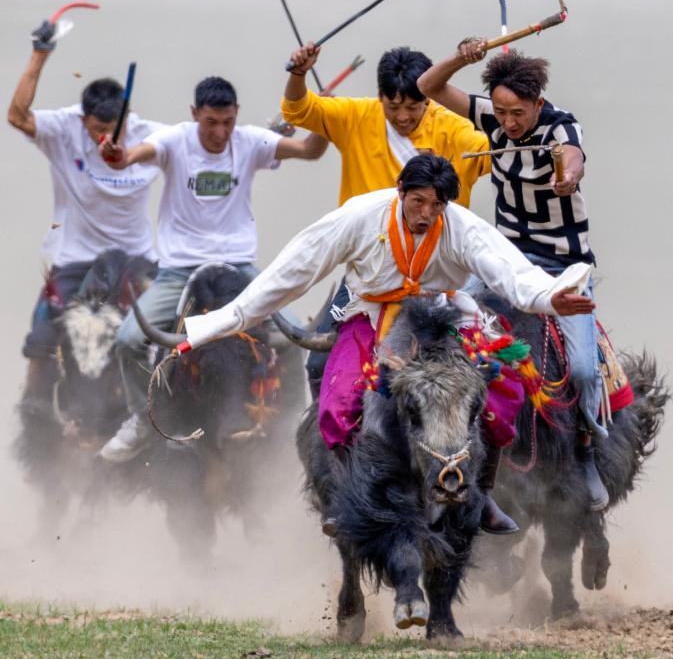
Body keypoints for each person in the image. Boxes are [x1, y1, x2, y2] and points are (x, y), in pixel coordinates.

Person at [179, 154, 595, 531]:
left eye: (436, 206)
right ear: (400, 191)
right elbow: (292, 270)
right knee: (336, 404)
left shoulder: (461, 227)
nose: (426, 214)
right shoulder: (360, 216)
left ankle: (481, 493)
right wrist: (212, 326)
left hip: (443, 318)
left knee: (504, 393)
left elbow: (510, 272)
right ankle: (352, 493)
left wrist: (550, 297)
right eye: (418, 202)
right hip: (372, 318)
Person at [416, 42, 609, 510]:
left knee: (584, 369)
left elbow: (572, 156)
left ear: (538, 104)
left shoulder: (560, 126)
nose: (508, 123)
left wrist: (568, 176)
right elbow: (427, 86)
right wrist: (463, 58)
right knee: (442, 320)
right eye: (501, 113)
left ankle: (586, 449)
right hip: (504, 262)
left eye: (518, 113)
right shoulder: (491, 117)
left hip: (563, 267)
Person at [98, 75, 327, 462]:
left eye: (228, 122)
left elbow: (309, 150)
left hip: (239, 268)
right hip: (179, 271)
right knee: (127, 340)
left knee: (292, 336)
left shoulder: (251, 141)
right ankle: (142, 419)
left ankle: (291, 423)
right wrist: (117, 156)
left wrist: (322, 117)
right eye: (211, 123)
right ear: (194, 114)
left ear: (237, 115)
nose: (220, 133)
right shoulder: (174, 141)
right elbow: (131, 155)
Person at [282, 41, 492, 401]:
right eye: (393, 107)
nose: (403, 117)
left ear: (429, 100)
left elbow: (494, 151)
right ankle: (326, 436)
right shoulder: (355, 116)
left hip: (439, 276)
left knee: (492, 366)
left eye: (413, 107)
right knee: (318, 365)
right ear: (380, 97)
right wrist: (299, 73)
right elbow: (298, 109)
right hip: (370, 274)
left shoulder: (455, 130)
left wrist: (509, 116)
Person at [7, 18, 164, 411]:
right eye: (96, 130)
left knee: (164, 336)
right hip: (76, 259)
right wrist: (40, 54)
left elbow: (209, 140)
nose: (105, 139)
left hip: (136, 260)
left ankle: (160, 412)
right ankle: (35, 409)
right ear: (83, 120)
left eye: (113, 130)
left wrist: (275, 134)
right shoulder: (63, 129)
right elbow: (17, 116)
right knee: (42, 337)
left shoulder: (151, 135)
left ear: (128, 118)